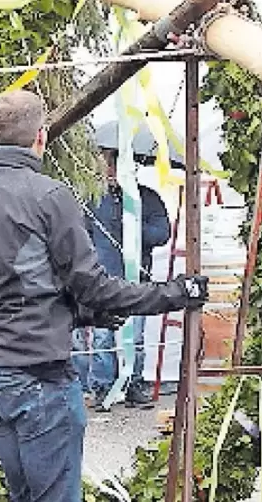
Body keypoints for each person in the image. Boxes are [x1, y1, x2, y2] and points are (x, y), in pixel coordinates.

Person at [0, 90, 209, 501]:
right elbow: (93, 286)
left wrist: (83, 316)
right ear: (42, 136)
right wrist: (173, 294)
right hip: (38, 376)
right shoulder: (48, 196)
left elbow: (9, 288)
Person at [73, 147, 172, 411]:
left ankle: (134, 385)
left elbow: (162, 233)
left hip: (136, 278)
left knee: (135, 336)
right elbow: (82, 237)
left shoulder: (147, 198)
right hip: (102, 279)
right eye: (106, 166)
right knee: (103, 336)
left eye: (113, 166)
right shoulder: (93, 200)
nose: (110, 172)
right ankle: (103, 386)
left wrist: (134, 225)